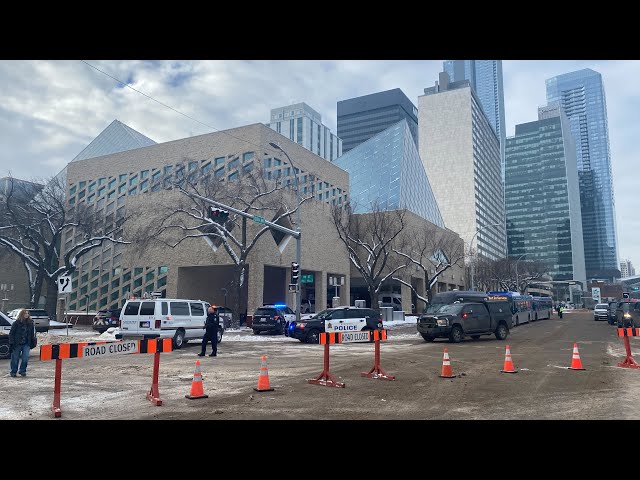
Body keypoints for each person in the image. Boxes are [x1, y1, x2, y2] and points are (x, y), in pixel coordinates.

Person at [9, 309, 36, 377]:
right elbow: (12, 333)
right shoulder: (16, 323)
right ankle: (13, 371)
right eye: (25, 313)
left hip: (26, 343)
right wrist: (12, 342)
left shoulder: (30, 323)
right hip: (17, 343)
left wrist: (33, 342)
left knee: (25, 358)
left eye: (27, 313)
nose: (26, 315)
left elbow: (32, 334)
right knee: (15, 358)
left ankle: (22, 370)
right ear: (21, 314)